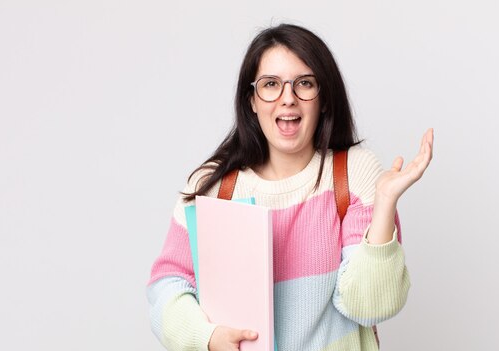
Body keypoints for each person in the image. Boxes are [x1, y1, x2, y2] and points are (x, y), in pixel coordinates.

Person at [147, 23, 434, 351]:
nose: (288, 99)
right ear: (252, 101)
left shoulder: (355, 173)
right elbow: (166, 287)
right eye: (271, 85)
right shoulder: (211, 187)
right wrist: (207, 337)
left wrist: (384, 205)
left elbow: (368, 306)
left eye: (304, 84)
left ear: (323, 99)